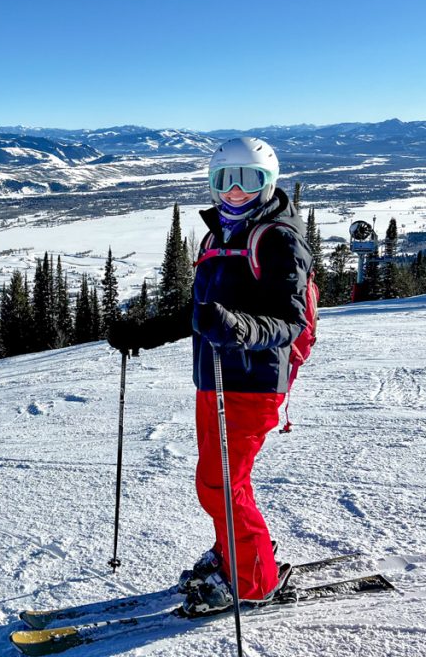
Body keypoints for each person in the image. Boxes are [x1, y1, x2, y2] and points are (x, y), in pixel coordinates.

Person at [107, 136, 312, 614]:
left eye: (248, 180)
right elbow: (200, 311)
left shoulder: (277, 237)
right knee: (222, 480)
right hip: (214, 378)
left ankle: (254, 580)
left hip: (252, 381)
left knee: (220, 483)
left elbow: (290, 320)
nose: (235, 192)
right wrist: (144, 333)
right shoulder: (218, 234)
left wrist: (239, 328)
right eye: (225, 180)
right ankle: (234, 554)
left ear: (268, 182)